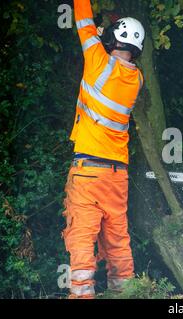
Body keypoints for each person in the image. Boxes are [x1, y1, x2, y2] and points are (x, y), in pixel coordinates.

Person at [62, 0, 145, 299]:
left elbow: (83, 20)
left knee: (82, 235)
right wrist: (112, 22)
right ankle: (125, 292)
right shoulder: (136, 79)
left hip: (88, 172)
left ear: (112, 40)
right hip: (117, 175)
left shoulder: (98, 59)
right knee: (117, 237)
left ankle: (82, 294)